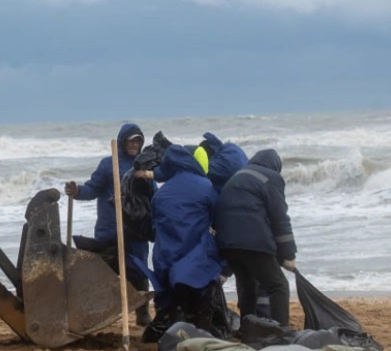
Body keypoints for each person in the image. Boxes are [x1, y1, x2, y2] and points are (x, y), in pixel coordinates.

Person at [64, 123, 153, 326]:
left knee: (138, 270)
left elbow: (151, 196)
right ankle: (100, 313)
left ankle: (142, 313)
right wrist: (77, 191)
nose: (134, 144)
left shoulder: (143, 166)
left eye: (138, 140)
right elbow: (92, 189)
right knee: (104, 273)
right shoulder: (108, 165)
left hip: (136, 232)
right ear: (123, 142)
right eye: (131, 140)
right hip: (109, 229)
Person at [212, 149, 296, 327]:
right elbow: (279, 218)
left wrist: (225, 268)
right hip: (253, 242)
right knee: (278, 286)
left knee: (247, 286)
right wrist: (288, 254)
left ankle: (248, 329)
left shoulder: (238, 176)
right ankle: (281, 332)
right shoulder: (271, 177)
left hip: (227, 243)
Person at [149, 144, 224, 334]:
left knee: (177, 301)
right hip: (196, 256)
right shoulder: (205, 187)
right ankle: (203, 326)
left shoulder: (161, 192)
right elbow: (217, 219)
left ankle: (177, 326)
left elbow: (154, 225)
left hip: (166, 257)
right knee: (205, 284)